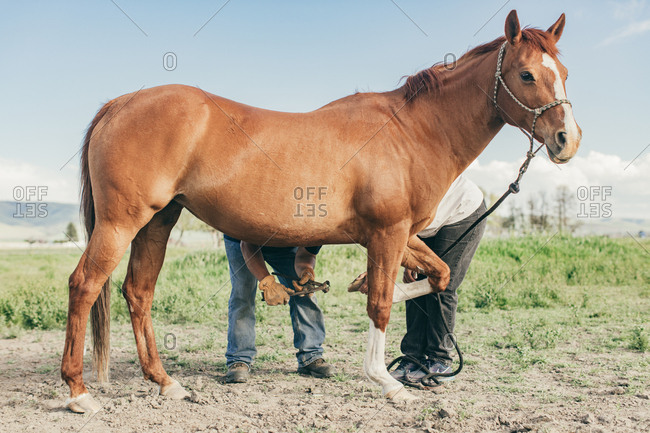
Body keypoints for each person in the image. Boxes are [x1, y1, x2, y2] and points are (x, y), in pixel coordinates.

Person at [349, 175, 486, 386]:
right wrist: (404, 265)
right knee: (415, 286)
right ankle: (413, 358)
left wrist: (382, 271)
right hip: (423, 226)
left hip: (462, 212)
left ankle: (440, 360)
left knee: (442, 287)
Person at [223, 235, 335, 383]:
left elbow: (306, 254)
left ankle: (311, 356)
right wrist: (267, 282)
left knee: (305, 294)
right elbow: (247, 243)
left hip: (286, 244)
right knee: (242, 295)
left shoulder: (315, 227)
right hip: (242, 239)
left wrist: (305, 271)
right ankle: (239, 359)